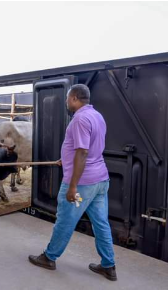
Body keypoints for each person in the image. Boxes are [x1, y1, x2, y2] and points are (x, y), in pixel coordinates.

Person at [28, 84, 116, 281]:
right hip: (100, 180)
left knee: (65, 221)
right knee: (101, 223)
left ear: (75, 98)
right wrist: (66, 160)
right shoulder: (97, 116)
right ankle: (108, 265)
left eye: (68, 98)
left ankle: (49, 257)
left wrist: (73, 186)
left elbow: (83, 152)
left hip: (82, 183)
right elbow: (89, 148)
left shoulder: (80, 119)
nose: (67, 101)